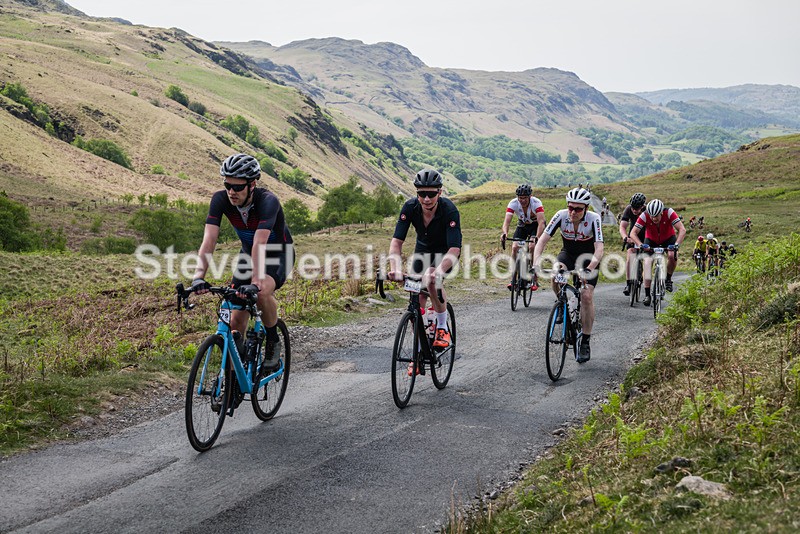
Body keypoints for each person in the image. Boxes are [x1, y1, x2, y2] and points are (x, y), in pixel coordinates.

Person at [191, 153, 294, 373]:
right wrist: (198, 276)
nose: (231, 192)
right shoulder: (220, 200)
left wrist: (255, 282)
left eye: (237, 187)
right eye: (227, 185)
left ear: (252, 184)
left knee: (262, 291)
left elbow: (260, 242)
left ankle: (273, 340)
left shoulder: (268, 201)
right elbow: (209, 240)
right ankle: (231, 383)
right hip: (249, 254)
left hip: (277, 252)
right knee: (235, 320)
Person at [389, 169, 462, 356]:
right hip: (421, 252)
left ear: (440, 192)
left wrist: (438, 271)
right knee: (416, 300)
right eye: (422, 194)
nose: (427, 199)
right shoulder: (410, 208)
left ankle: (442, 327)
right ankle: (419, 353)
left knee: (431, 281)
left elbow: (455, 249)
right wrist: (395, 269)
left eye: (431, 193)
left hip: (445, 253)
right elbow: (397, 242)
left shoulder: (449, 210)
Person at [533, 187, 604, 363]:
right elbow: (542, 240)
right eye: (571, 207)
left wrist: (590, 267)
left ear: (586, 208)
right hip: (568, 254)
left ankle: (585, 341)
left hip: (588, 259)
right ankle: (562, 303)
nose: (573, 212)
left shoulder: (594, 219)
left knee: (586, 296)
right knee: (556, 273)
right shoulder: (561, 215)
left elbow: (599, 248)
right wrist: (535, 263)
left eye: (578, 209)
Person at [630, 199, 686, 305]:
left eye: (656, 216)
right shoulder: (644, 215)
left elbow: (682, 230)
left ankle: (668, 279)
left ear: (661, 212)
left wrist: (676, 245)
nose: (653, 218)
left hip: (668, 238)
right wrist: (641, 244)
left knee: (672, 255)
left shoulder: (669, 212)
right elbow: (633, 233)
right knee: (647, 262)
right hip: (651, 239)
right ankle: (647, 294)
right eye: (651, 216)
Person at [501, 184, 546, 291]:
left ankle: (534, 274)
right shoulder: (513, 203)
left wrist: (538, 237)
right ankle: (513, 277)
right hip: (523, 225)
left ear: (530, 197)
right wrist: (504, 233)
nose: (522, 200)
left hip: (536, 226)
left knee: (532, 246)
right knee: (515, 247)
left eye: (525, 198)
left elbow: (541, 223)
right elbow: (506, 222)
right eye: (520, 198)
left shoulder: (536, 203)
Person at [619, 192, 646, 296]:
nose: (634, 210)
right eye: (633, 208)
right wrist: (625, 237)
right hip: (632, 236)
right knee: (630, 256)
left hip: (646, 236)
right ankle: (628, 284)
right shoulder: (628, 209)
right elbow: (622, 227)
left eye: (637, 208)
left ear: (642, 206)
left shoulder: (647, 211)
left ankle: (643, 274)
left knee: (646, 258)